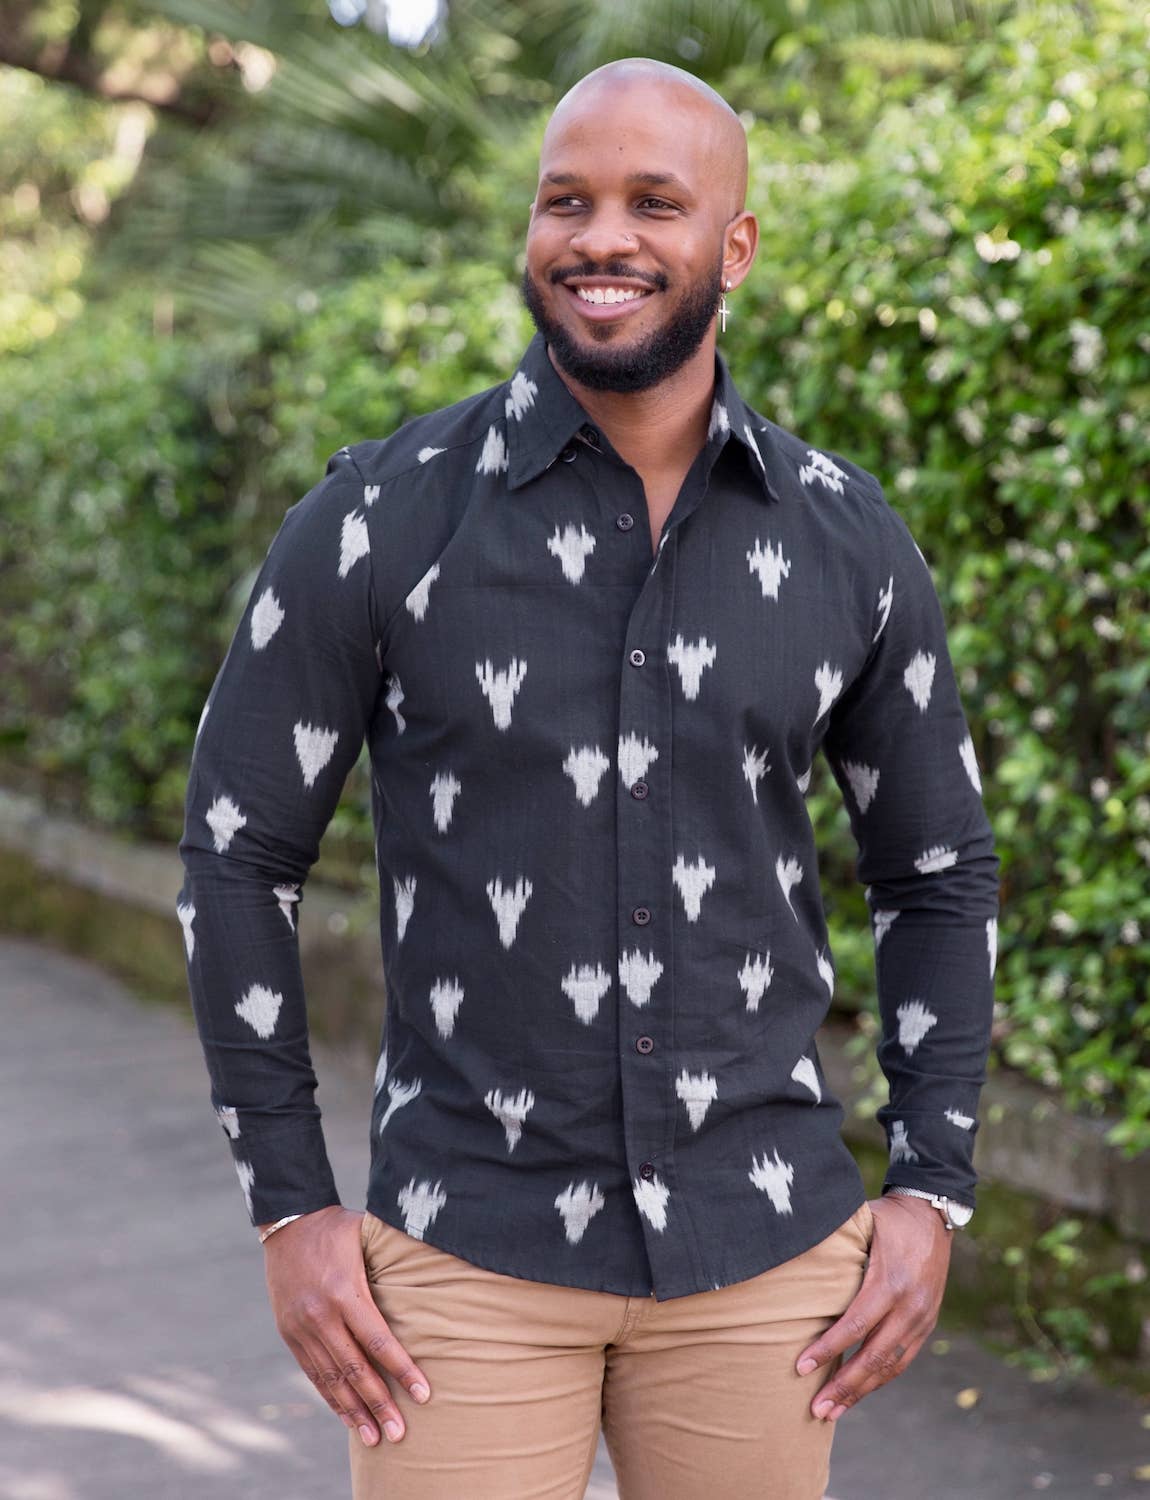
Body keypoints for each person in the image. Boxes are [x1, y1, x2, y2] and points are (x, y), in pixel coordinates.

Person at [176, 55, 999, 1500]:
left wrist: (928, 1189)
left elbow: (935, 873)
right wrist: (291, 1208)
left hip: (763, 1263)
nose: (600, 237)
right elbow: (237, 856)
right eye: (568, 200)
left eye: (653, 202)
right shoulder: (375, 520)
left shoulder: (844, 543)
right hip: (461, 1256)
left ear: (730, 245)